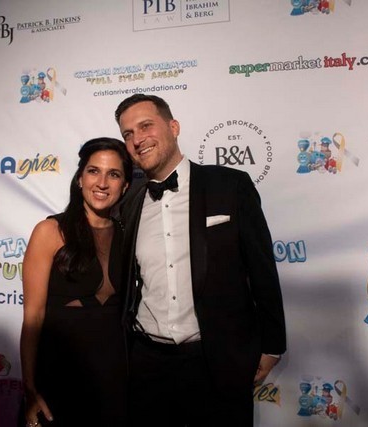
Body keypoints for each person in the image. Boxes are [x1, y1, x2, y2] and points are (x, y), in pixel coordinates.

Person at [115, 94, 287, 427]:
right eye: (128, 134)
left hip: (217, 359)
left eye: (146, 126)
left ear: (173, 127)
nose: (137, 139)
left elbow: (262, 268)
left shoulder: (230, 185)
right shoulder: (129, 204)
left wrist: (273, 345)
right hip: (148, 363)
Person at [19, 137, 132, 427]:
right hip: (59, 375)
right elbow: (33, 316)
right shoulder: (50, 231)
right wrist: (30, 388)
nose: (102, 183)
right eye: (94, 171)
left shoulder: (130, 236)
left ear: (125, 186)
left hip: (116, 379)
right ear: (80, 178)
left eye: (114, 174)